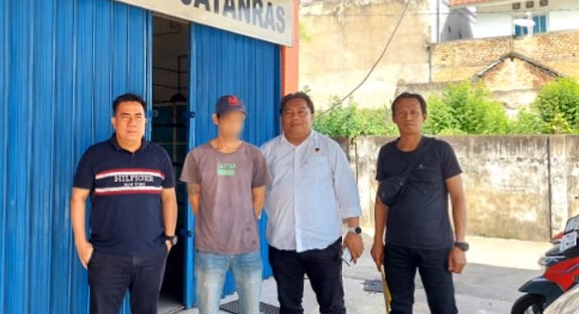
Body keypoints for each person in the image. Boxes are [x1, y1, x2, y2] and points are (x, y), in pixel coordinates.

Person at [70, 93, 178, 314]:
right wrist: (81, 244)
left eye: (138, 116)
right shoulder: (95, 155)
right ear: (114, 121)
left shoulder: (159, 156)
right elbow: (78, 198)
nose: (132, 122)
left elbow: (169, 197)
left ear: (145, 121)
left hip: (151, 256)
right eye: (125, 116)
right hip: (106, 257)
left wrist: (169, 240)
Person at [261, 92, 363, 314]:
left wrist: (354, 231)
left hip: (323, 243)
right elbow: (255, 192)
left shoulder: (329, 148)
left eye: (301, 112)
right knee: (289, 307)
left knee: (332, 307)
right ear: (281, 118)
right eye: (289, 112)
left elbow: (347, 190)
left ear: (312, 115)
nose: (295, 117)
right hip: (283, 244)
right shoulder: (267, 152)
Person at [370, 92, 467, 314]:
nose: (408, 117)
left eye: (414, 112)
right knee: (399, 307)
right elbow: (381, 200)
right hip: (396, 247)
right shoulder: (386, 153)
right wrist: (377, 241)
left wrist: (460, 245)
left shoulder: (441, 150)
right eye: (402, 112)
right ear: (393, 118)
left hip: (436, 247)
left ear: (424, 116)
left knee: (444, 308)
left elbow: (458, 197)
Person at [181, 95, 270, 314]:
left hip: (247, 248)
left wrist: (245, 222)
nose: (234, 125)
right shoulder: (197, 156)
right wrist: (212, 220)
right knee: (208, 309)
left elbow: (259, 197)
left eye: (239, 120)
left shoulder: (254, 155)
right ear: (216, 119)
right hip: (209, 250)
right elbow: (194, 196)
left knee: (251, 309)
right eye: (229, 119)